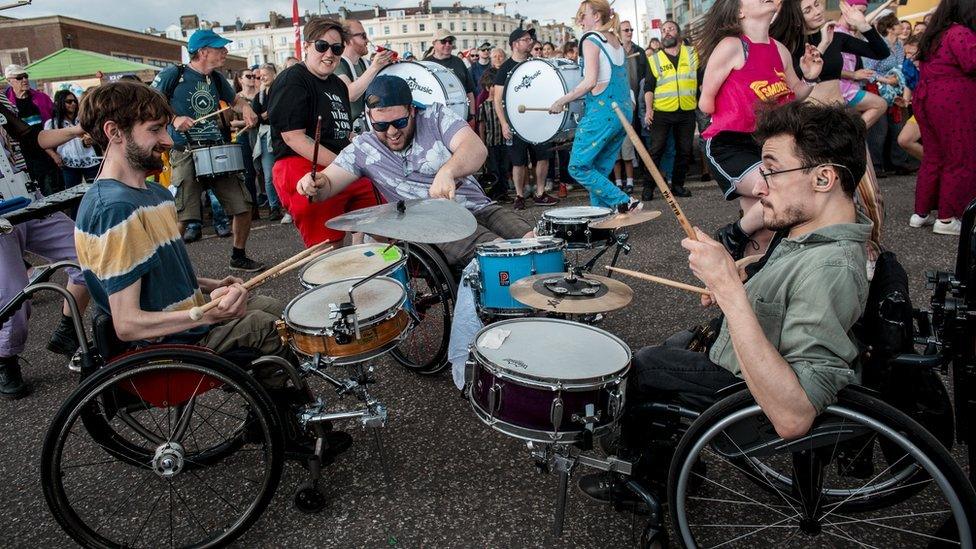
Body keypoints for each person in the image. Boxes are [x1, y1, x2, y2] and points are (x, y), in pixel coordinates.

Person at [578, 101, 872, 504]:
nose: (760, 185)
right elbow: (789, 291)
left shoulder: (830, 268)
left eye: (771, 169)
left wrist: (730, 293)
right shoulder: (809, 230)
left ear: (823, 178)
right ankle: (670, 462)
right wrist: (746, 272)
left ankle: (652, 480)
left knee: (640, 366)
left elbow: (794, 414)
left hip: (748, 388)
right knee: (675, 346)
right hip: (736, 348)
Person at [74, 80, 352, 457]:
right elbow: (128, 323)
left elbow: (159, 271)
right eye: (155, 130)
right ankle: (288, 434)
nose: (169, 141)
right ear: (114, 133)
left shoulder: (152, 193)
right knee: (268, 327)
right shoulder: (115, 210)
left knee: (273, 307)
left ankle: (267, 417)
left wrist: (209, 284)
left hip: (184, 323)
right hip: (164, 347)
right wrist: (206, 312)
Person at [297, 75, 535, 267]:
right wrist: (313, 183)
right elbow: (326, 185)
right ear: (369, 118)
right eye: (381, 125)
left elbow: (476, 149)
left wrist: (448, 171)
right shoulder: (363, 147)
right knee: (504, 255)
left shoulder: (435, 116)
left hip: (479, 207)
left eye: (399, 122)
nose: (391, 132)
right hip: (433, 225)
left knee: (535, 244)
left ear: (412, 110)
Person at [697, 0, 823, 259]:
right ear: (740, 10)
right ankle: (734, 232)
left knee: (765, 229)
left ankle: (746, 281)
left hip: (768, 144)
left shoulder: (780, 50)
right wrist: (737, 107)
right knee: (778, 188)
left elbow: (794, 93)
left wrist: (810, 76)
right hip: (730, 142)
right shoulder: (732, 46)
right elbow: (705, 103)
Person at [0, 95, 92, 399]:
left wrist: (78, 129)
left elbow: (33, 138)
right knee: (14, 297)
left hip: (29, 201)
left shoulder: (2, 99)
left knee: (90, 255)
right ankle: (5, 358)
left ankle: (67, 332)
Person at [150, 28, 264, 271]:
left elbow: (235, 100)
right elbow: (151, 102)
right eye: (219, 47)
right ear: (203, 52)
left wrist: (245, 108)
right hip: (186, 151)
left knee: (243, 207)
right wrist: (174, 119)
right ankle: (165, 268)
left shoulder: (217, 78)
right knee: (184, 215)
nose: (225, 51)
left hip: (216, 149)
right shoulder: (175, 74)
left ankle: (238, 256)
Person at [267, 18, 382, 247]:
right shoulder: (293, 79)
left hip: (337, 162)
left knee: (380, 214)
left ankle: (364, 258)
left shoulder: (337, 85)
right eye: (322, 46)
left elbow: (343, 131)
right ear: (307, 46)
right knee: (328, 245)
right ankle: (331, 278)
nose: (329, 53)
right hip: (300, 164)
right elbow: (293, 137)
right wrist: (344, 165)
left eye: (337, 48)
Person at [550, 0, 639, 213]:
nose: (580, 21)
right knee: (598, 169)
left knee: (578, 167)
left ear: (596, 16)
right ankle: (603, 219)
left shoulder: (591, 39)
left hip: (602, 112)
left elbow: (590, 82)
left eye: (583, 15)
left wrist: (561, 100)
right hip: (623, 112)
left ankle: (623, 201)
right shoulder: (615, 39)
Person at [911, 0, 976, 236]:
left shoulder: (937, 33)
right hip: (952, 100)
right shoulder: (959, 32)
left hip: (927, 98)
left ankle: (921, 213)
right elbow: (973, 61)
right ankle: (948, 218)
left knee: (934, 157)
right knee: (960, 157)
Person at [494, 26, 560, 210]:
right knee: (518, 162)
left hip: (539, 121)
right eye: (526, 39)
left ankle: (540, 193)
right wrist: (504, 124)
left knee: (543, 157)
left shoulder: (536, 64)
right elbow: (497, 100)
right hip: (515, 124)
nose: (531, 41)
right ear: (515, 44)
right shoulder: (504, 69)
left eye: (530, 39)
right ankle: (519, 196)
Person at [642, 20, 698, 201]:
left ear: (678, 33)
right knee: (656, 150)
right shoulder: (654, 59)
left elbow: (702, 80)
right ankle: (648, 187)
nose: (667, 32)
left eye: (671, 29)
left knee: (684, 151)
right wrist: (649, 110)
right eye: (664, 30)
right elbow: (648, 87)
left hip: (687, 110)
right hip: (662, 112)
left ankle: (678, 186)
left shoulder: (692, 54)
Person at [3, 64, 61, 196]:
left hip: (46, 151)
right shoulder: (5, 102)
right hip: (22, 156)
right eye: (19, 77)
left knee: (52, 190)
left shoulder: (41, 97)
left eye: (26, 76)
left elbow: (56, 120)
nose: (24, 80)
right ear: (9, 81)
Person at [334, 19, 395, 134]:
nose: (367, 40)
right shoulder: (338, 64)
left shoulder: (365, 64)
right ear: (348, 40)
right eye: (363, 36)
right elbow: (350, 94)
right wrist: (375, 67)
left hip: (367, 128)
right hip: (349, 133)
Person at [612, 20, 648, 194]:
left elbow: (646, 77)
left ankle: (638, 176)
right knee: (619, 147)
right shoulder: (614, 51)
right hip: (619, 101)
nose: (629, 32)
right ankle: (619, 181)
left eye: (631, 29)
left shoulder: (639, 52)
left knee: (639, 137)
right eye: (626, 30)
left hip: (636, 100)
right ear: (619, 32)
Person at [249, 63, 287, 222]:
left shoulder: (283, 91)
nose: (262, 77)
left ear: (273, 74)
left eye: (265, 74)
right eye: (260, 76)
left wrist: (268, 113)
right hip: (266, 135)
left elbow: (280, 112)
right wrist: (264, 114)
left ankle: (288, 206)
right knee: (268, 175)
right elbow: (257, 116)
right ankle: (274, 206)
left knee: (284, 171)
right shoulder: (259, 96)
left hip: (282, 134)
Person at [43, 90, 100, 188]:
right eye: (69, 102)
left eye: (74, 101)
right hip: (68, 164)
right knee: (73, 194)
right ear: (59, 103)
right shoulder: (52, 123)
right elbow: (45, 143)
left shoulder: (84, 118)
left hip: (91, 161)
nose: (73, 104)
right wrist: (54, 155)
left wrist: (91, 141)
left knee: (97, 189)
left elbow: (98, 137)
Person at [425, 28, 477, 123]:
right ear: (434, 43)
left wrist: (472, 116)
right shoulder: (426, 63)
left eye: (450, 42)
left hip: (460, 115)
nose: (448, 45)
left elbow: (469, 91)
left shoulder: (458, 62)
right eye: (443, 41)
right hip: (435, 118)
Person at [478, 70, 512, 203]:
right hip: (491, 142)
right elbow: (481, 126)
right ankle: (494, 193)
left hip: (503, 141)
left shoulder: (504, 105)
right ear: (487, 87)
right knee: (494, 169)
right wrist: (482, 143)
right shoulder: (483, 106)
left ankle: (504, 193)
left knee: (504, 168)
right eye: (492, 86)